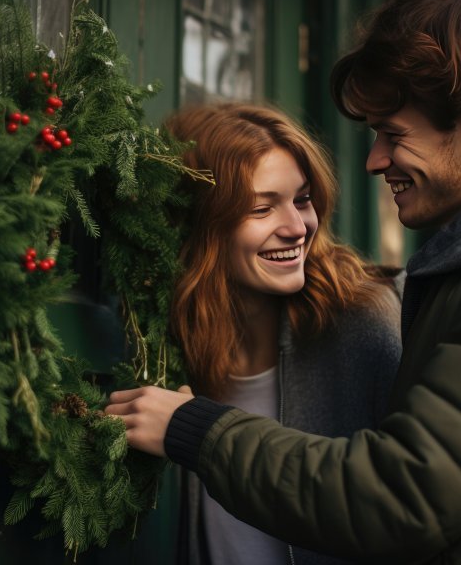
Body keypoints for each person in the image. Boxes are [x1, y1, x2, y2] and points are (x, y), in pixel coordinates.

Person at [105, 0, 461, 563]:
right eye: (260, 206)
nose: (373, 160)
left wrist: (193, 429)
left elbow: (403, 496)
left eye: (393, 134)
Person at [163, 103, 402, 564]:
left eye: (303, 199)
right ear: (202, 222)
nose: (296, 228)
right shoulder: (170, 342)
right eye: (261, 207)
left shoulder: (364, 325)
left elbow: (409, 502)